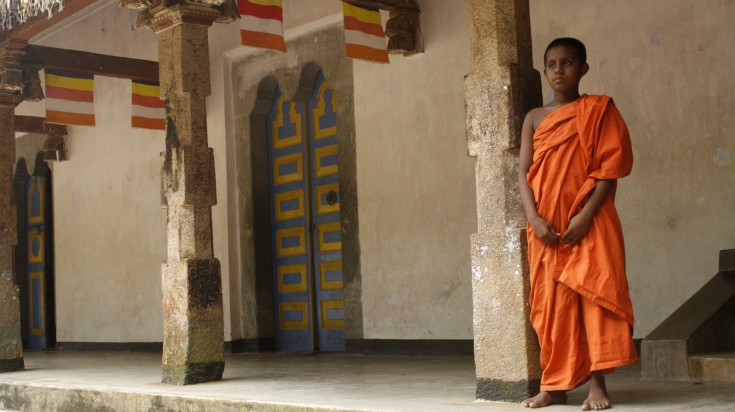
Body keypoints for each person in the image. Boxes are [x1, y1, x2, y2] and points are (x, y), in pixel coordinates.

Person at [518, 37, 638, 411]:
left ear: (583, 68)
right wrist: (534, 218)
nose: (559, 70)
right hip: (546, 229)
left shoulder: (599, 110)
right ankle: (554, 385)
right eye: (552, 64)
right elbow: (522, 172)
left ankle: (596, 386)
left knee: (592, 297)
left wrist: (585, 216)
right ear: (544, 70)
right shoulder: (534, 118)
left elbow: (610, 170)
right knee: (550, 306)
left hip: (590, 220)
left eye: (567, 63)